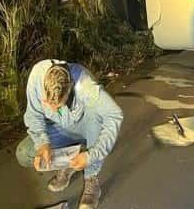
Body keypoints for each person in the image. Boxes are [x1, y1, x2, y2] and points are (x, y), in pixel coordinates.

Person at [15, 59, 123, 209]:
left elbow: (115, 115)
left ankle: (91, 178)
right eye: (47, 104)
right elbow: (34, 115)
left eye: (58, 106)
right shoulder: (37, 75)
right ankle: (69, 161)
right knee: (24, 153)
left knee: (96, 119)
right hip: (61, 127)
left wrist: (92, 155)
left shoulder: (85, 87)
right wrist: (43, 144)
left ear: (70, 88)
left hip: (87, 127)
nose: (52, 110)